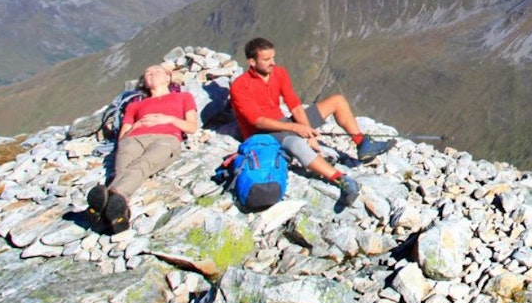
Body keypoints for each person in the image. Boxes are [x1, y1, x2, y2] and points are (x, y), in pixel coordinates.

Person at [228, 37, 393, 209]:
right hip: (262, 135)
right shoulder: (240, 86)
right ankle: (342, 180)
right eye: (267, 59)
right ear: (252, 62)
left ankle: (363, 144)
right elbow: (258, 121)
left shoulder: (279, 73)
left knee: (337, 101)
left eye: (273, 58)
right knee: (297, 143)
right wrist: (296, 129)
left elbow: (294, 104)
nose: (272, 63)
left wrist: (307, 130)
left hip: (284, 124)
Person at [87, 64, 200, 233]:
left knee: (143, 164)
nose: (153, 73)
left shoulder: (184, 97)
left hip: (166, 138)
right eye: (148, 72)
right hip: (133, 139)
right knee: (122, 169)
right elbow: (122, 137)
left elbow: (191, 127)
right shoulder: (134, 106)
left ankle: (102, 207)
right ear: (144, 83)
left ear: (169, 78)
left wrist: (167, 119)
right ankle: (119, 214)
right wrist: (135, 126)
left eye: (157, 71)